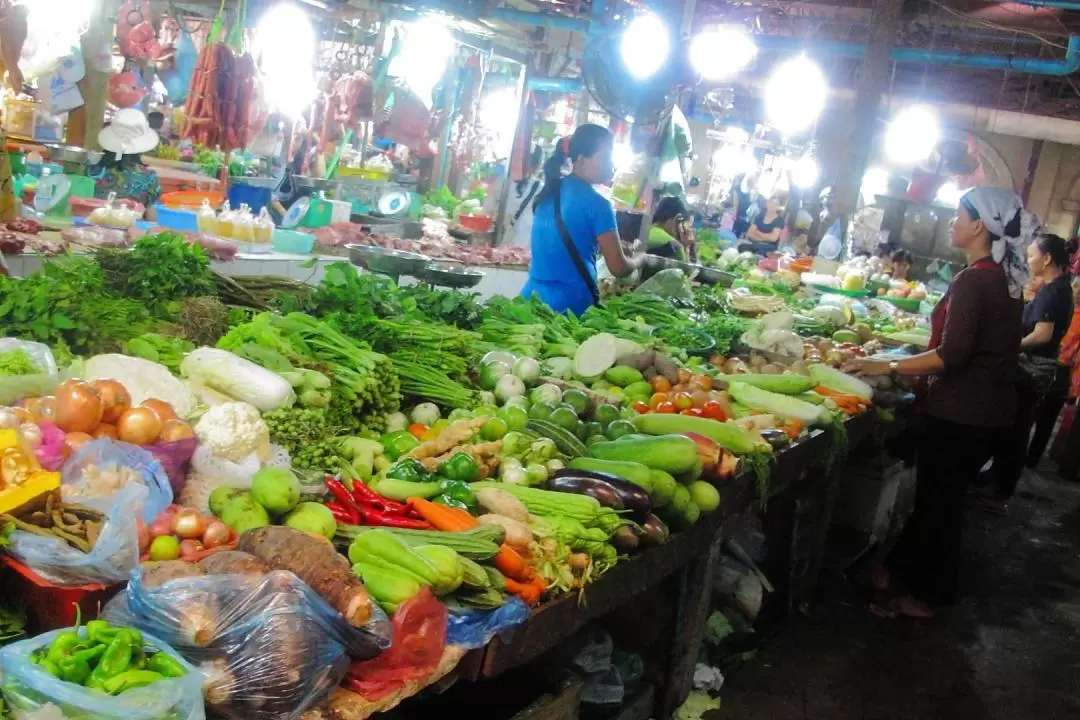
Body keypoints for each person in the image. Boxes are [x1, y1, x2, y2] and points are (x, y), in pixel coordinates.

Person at [844, 186, 1030, 617]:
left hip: (960, 413)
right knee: (938, 503)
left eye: (958, 216)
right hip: (987, 413)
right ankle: (891, 572)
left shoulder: (974, 279)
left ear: (979, 226)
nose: (951, 222)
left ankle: (929, 596)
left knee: (940, 508)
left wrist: (884, 367)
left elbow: (952, 355)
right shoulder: (1007, 279)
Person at [979, 233, 1076, 511]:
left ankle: (1001, 493)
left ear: (1047, 259)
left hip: (1031, 370)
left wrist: (1010, 346)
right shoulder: (1059, 288)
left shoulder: (1052, 291)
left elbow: (1043, 334)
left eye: (1032, 255)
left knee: (1014, 431)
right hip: (1040, 370)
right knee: (1015, 428)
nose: (1028, 260)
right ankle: (997, 482)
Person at [521, 125, 642, 315]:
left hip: (530, 301)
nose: (611, 165)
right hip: (567, 311)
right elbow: (618, 268)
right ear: (581, 160)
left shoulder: (549, 192)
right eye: (606, 157)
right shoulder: (599, 204)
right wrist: (638, 260)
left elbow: (565, 243)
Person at [89, 109, 162, 216]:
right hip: (129, 229)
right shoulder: (148, 177)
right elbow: (151, 216)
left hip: (90, 226)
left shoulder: (90, 170)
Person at [647, 196, 695, 261]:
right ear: (678, 219)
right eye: (686, 227)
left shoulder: (643, 231)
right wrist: (686, 247)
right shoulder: (674, 247)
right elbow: (687, 270)